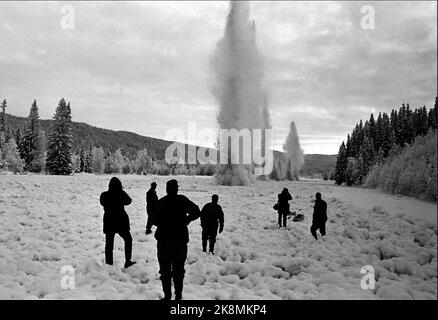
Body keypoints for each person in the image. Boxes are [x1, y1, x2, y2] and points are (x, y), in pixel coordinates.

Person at [152, 179, 200, 301]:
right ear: (177, 189)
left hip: (163, 241)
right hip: (180, 240)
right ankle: (178, 296)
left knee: (165, 271)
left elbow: (154, 220)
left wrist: (164, 223)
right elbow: (196, 211)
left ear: (167, 189)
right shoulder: (182, 200)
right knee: (179, 270)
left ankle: (167, 296)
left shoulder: (161, 202)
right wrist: (186, 220)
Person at [100, 177, 136, 268]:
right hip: (121, 222)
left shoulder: (104, 195)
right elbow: (129, 201)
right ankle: (127, 261)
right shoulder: (121, 194)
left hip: (109, 222)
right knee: (128, 240)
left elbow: (102, 202)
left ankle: (109, 264)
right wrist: (121, 191)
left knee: (109, 245)